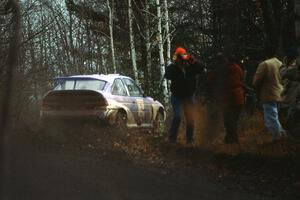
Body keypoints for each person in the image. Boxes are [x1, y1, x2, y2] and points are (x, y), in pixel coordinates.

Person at [165, 47, 205, 144]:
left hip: (189, 96)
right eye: (178, 58)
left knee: (190, 118)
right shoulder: (173, 68)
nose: (180, 61)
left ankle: (189, 140)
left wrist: (193, 60)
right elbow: (167, 75)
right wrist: (175, 65)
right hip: (176, 96)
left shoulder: (191, 66)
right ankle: (172, 139)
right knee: (177, 116)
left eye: (181, 57)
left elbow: (202, 68)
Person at [252, 45, 287, 142]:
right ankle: (282, 136)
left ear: (265, 53)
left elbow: (256, 81)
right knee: (275, 117)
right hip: (280, 93)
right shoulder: (280, 63)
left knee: (271, 118)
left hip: (268, 94)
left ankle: (278, 138)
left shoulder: (265, 64)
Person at [208, 53, 245, 144]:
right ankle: (231, 140)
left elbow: (211, 80)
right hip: (239, 97)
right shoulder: (238, 68)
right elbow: (241, 78)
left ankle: (232, 141)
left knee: (229, 121)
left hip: (229, 99)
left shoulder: (222, 70)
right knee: (232, 121)